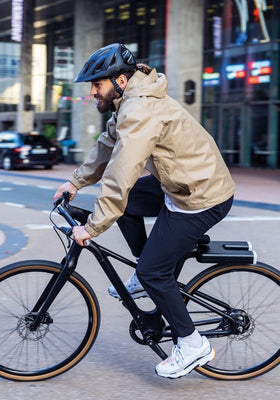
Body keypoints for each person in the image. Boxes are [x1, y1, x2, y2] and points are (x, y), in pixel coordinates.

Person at [53, 43, 235, 379]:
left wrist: (92, 228)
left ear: (120, 79)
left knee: (154, 271)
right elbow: (108, 144)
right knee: (131, 208)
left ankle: (192, 344)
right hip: (180, 183)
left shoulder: (140, 110)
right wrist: (75, 182)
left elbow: (121, 174)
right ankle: (147, 269)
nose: (93, 92)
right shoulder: (128, 104)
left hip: (200, 195)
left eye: (98, 84)